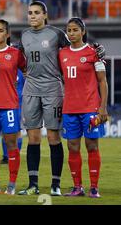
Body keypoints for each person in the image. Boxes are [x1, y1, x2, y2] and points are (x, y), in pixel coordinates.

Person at [17, 1, 105, 196]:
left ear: (45, 15)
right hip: (31, 89)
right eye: (30, 13)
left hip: (53, 90)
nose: (32, 16)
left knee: (53, 136)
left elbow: (77, 47)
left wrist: (98, 50)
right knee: (32, 138)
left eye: (36, 13)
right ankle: (33, 185)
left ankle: (56, 185)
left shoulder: (57, 34)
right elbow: (17, 56)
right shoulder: (24, 35)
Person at [59, 17, 107, 198]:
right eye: (69, 30)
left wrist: (103, 108)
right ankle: (77, 187)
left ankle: (94, 188)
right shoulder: (62, 53)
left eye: (75, 30)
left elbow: (103, 82)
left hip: (90, 108)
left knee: (92, 146)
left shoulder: (93, 53)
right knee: (72, 147)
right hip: (70, 108)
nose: (71, 33)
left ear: (83, 32)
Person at [0, 19, 26, 195]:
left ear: (7, 34)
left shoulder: (16, 54)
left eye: (0, 31)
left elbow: (29, 71)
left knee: (10, 144)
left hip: (9, 105)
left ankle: (12, 184)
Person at [1, 69, 24, 164]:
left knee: (17, 130)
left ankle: (14, 155)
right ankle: (6, 156)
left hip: (17, 104)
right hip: (5, 102)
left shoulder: (20, 73)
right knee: (5, 130)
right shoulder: (5, 70)